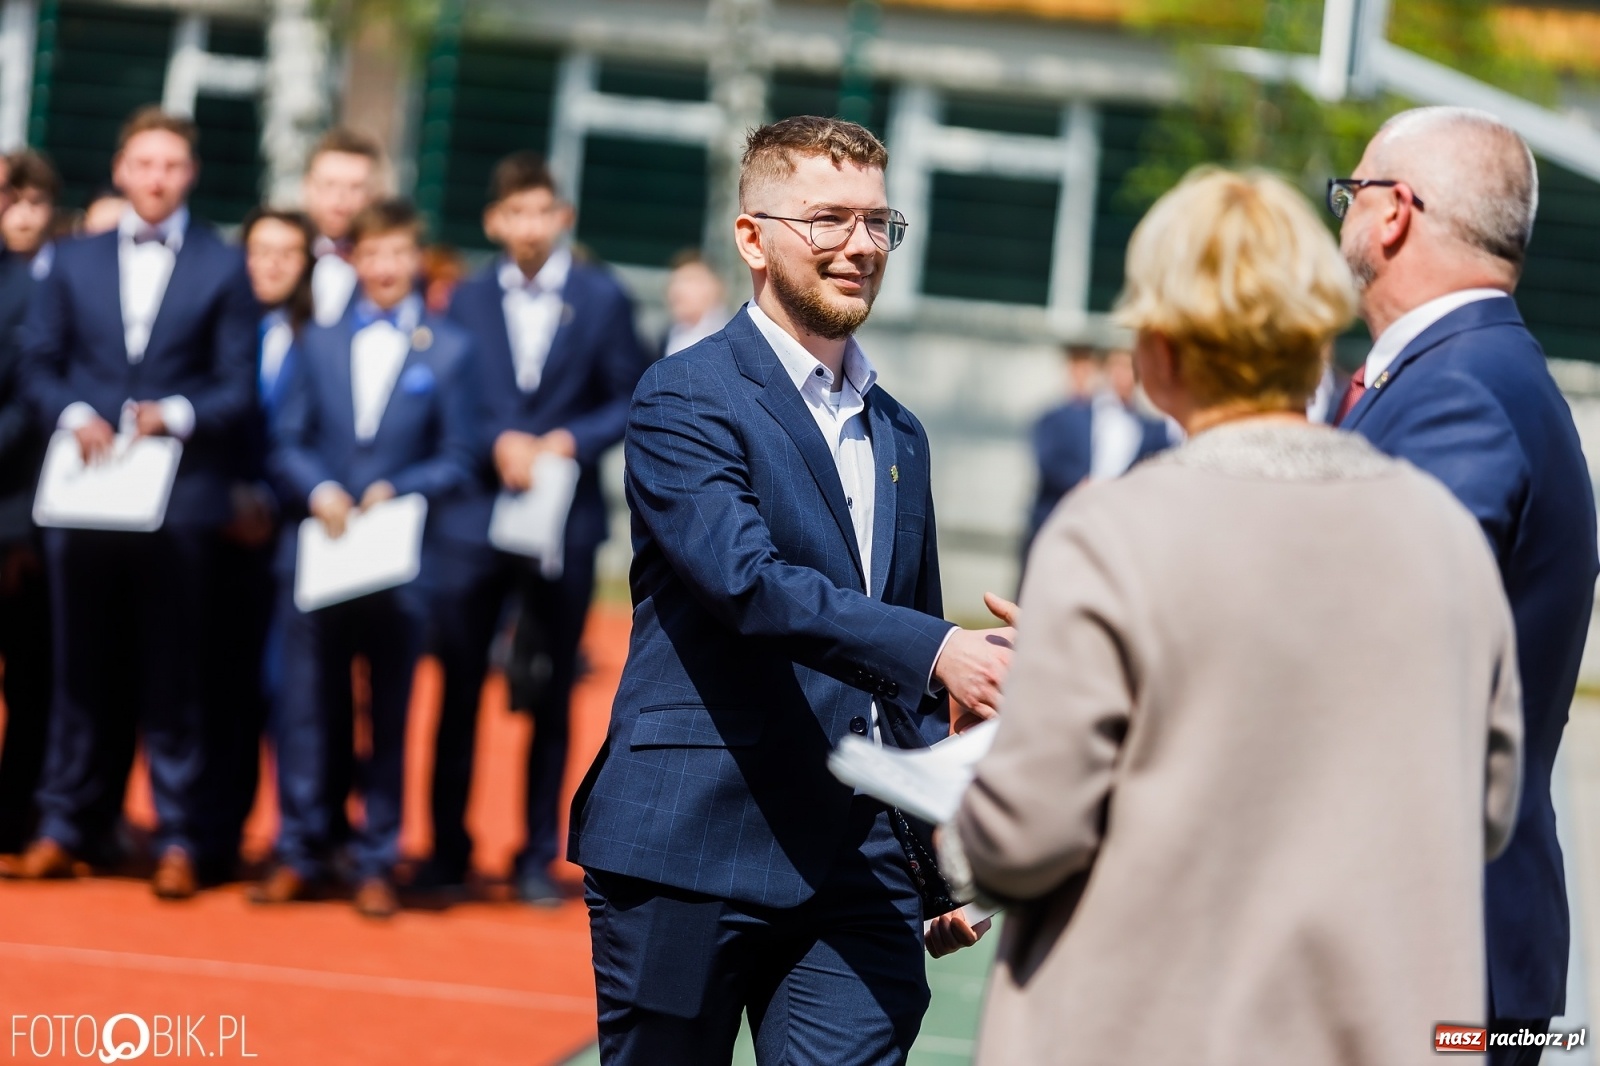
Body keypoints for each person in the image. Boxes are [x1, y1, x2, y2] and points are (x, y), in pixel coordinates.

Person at [942, 167, 1524, 1066]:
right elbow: (1486, 807)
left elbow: (1023, 839)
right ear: (1314, 346)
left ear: (1162, 350)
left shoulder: (1111, 532)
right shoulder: (1442, 532)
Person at [568, 116, 1013, 1065]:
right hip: (688, 843)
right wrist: (940, 647)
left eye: (877, 224)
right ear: (751, 237)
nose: (858, 246)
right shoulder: (684, 396)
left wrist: (931, 869)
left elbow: (900, 683)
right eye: (827, 219)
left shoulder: (902, 434)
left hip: (855, 874)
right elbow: (748, 583)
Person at [1332, 106, 1598, 1061]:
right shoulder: (1472, 372)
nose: (1345, 214)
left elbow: (1365, 650)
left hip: (1431, 957)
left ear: (1395, 212)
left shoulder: (1458, 391)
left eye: (1351, 192)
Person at [9, 108, 257, 898]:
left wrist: (172, 415)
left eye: (172, 166)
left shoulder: (224, 265)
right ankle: (61, 825)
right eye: (144, 164)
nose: (156, 178)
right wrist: (76, 415)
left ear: (190, 175)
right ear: (120, 171)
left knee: (173, 676)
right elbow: (39, 364)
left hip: (178, 504)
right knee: (76, 670)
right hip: (81, 499)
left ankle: (180, 834)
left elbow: (236, 383)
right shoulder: (69, 261)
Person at [426, 152, 646, 903]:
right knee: (456, 684)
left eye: (541, 212)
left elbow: (628, 396)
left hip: (566, 520)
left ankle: (534, 855)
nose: (528, 226)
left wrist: (564, 442)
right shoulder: (462, 298)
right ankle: (446, 850)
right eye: (513, 213)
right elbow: (445, 392)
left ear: (563, 218)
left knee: (552, 690)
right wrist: (496, 441)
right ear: (494, 221)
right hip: (472, 517)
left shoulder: (603, 298)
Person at [255, 199, 479, 919]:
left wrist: (399, 487)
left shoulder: (449, 348)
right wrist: (317, 488)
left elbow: (460, 457)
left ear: (416, 260)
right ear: (355, 261)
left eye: (397, 255)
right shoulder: (316, 340)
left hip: (400, 566)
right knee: (305, 708)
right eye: (372, 255)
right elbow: (285, 438)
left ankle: (377, 855)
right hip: (317, 554)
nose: (384, 268)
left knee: (389, 711)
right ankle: (302, 848)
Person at [190, 208, 318, 878]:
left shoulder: (320, 338)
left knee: (286, 695)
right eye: (259, 250)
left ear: (306, 265)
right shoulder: (214, 326)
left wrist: (271, 499)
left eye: (286, 253)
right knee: (213, 687)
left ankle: (300, 840)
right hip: (213, 531)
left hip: (294, 536)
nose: (270, 264)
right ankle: (209, 834)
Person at [0, 149, 60, 854]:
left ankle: (12, 815)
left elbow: (29, 403)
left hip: (10, 519)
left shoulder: (33, 291)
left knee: (29, 680)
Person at [1026, 347, 1170, 552]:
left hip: (1116, 532)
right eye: (1118, 367)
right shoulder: (1069, 415)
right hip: (1063, 521)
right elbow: (1049, 462)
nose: (1124, 375)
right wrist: (1087, 485)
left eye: (1131, 368)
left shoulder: (1152, 430)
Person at [301, 128, 382, 326]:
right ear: (307, 187)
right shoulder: (275, 256)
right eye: (329, 184)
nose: (341, 198)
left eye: (355, 187)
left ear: (374, 194)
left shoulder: (390, 269)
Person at [660, 250, 730, 358]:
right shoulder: (667, 336)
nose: (678, 290)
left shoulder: (729, 337)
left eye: (690, 280)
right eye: (674, 282)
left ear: (716, 286)